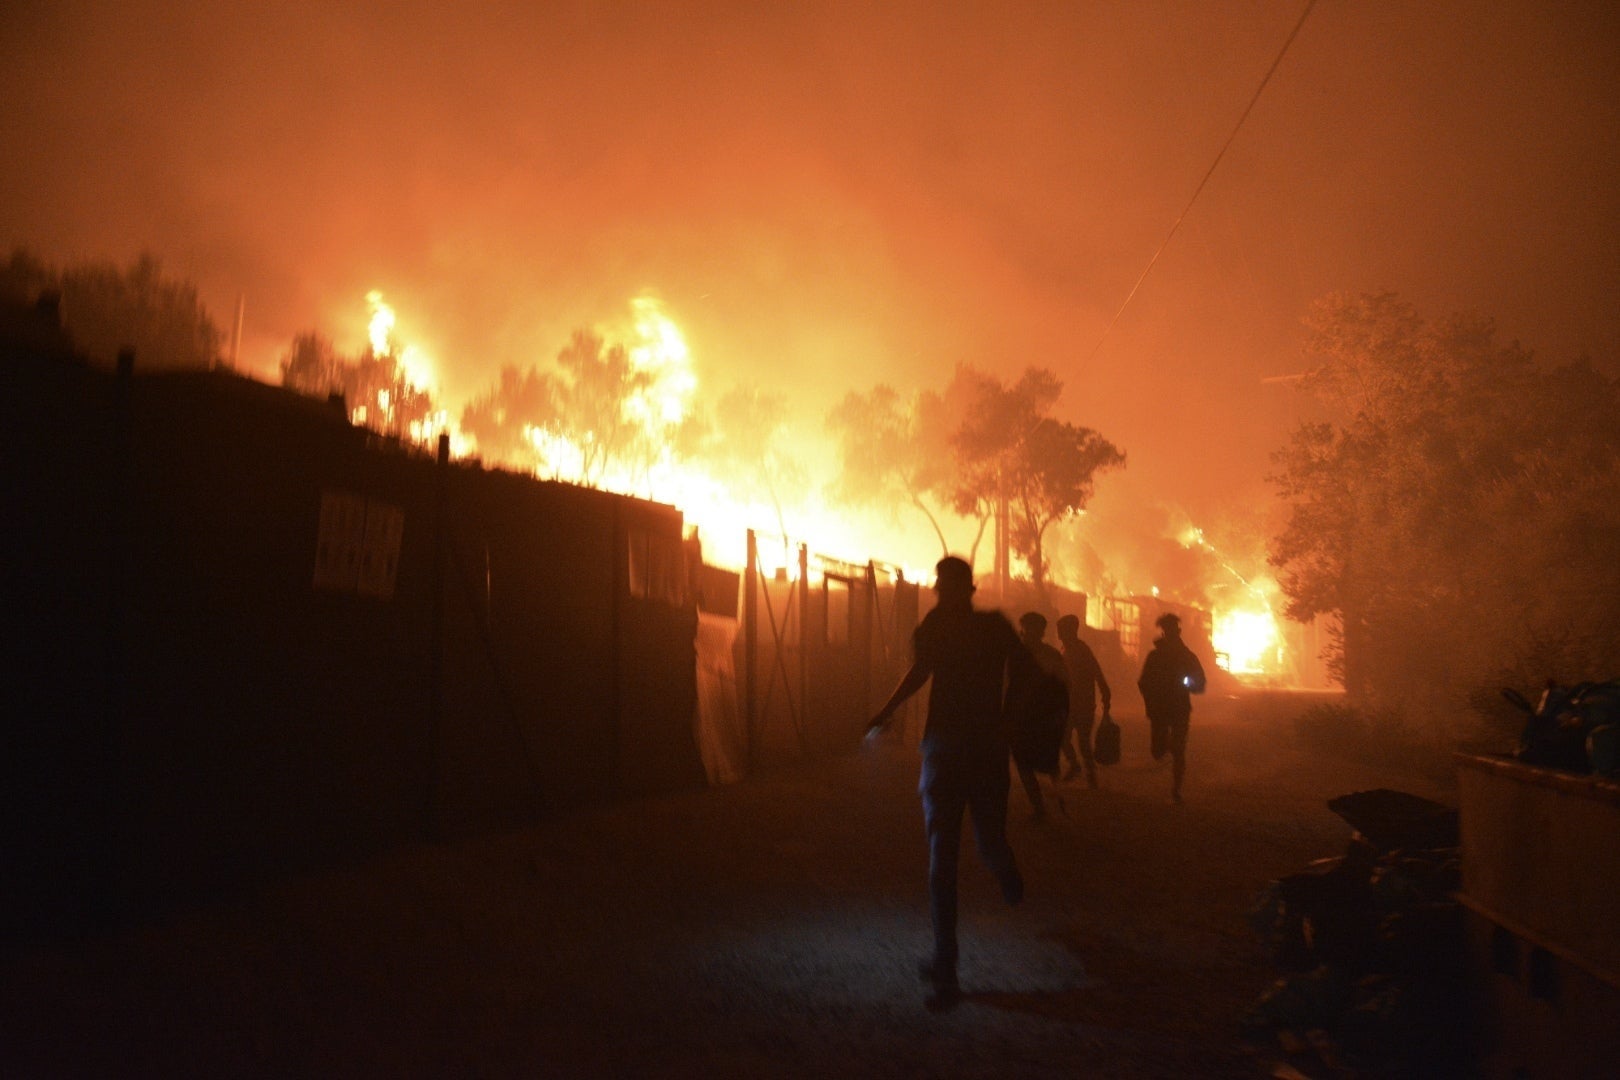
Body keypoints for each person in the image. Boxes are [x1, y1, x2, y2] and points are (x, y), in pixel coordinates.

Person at [867, 556, 1028, 1007]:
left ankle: (946, 964)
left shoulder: (944, 626)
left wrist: (887, 709)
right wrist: (1008, 721)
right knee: (962, 851)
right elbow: (1024, 671)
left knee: (948, 858)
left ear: (946, 588)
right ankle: (947, 965)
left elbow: (920, 673)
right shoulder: (992, 628)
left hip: (948, 750)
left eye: (943, 585)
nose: (942, 592)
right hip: (973, 752)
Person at [1137, 612, 1206, 803]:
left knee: (1179, 751)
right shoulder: (1155, 657)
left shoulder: (1187, 657)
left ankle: (1176, 790)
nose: (1170, 634)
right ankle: (1170, 746)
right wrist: (1151, 702)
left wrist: (1189, 684)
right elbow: (1143, 683)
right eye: (1167, 630)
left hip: (1179, 709)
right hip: (1160, 710)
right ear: (1164, 632)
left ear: (1178, 631)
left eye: (1173, 630)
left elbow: (1200, 684)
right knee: (1158, 751)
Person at [1013, 611, 1068, 819]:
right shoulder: (1017, 655)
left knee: (1041, 760)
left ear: (1040, 631)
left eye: (1032, 629)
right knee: (1025, 762)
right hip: (1025, 717)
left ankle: (1051, 798)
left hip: (1043, 716)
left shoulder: (1050, 656)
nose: (1027, 633)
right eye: (1027, 629)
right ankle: (1041, 805)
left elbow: (1063, 685)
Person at [1055, 613, 1111, 788]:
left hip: (1083, 704)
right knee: (1063, 738)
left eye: (1062, 631)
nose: (1060, 634)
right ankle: (1076, 765)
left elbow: (1096, 671)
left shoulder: (1081, 650)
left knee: (1083, 741)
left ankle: (1089, 774)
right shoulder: (1066, 650)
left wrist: (1105, 692)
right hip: (1069, 704)